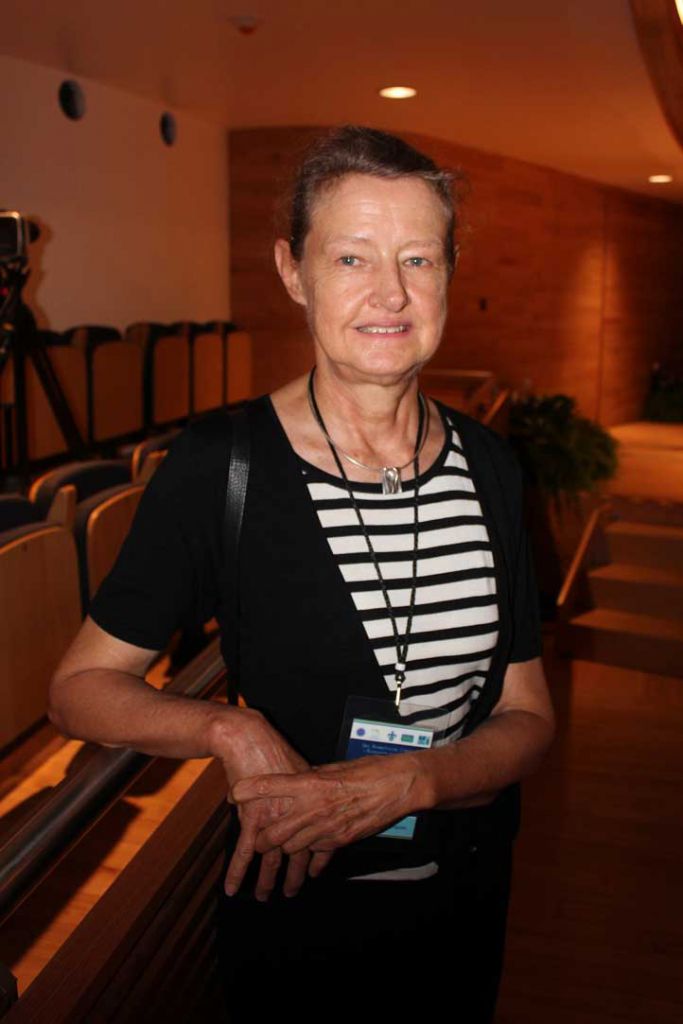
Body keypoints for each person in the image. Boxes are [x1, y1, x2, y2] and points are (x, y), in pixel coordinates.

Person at [48, 125, 554, 1023]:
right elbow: (78, 690)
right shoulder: (220, 465)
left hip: (467, 893)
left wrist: (415, 781)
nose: (390, 293)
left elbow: (528, 716)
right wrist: (228, 730)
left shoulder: (491, 467)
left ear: (447, 272)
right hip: (295, 907)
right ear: (293, 271)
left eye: (418, 259)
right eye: (351, 258)